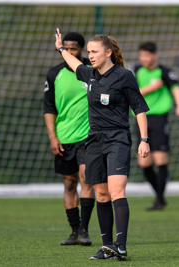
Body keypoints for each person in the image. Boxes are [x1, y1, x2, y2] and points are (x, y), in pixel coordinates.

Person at [54, 28, 150, 261]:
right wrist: (60, 48)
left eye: (95, 52)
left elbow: (139, 109)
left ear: (108, 52)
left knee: (117, 191)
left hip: (117, 138)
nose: (91, 56)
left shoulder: (124, 75)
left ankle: (121, 245)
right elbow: (74, 62)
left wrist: (144, 140)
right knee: (102, 194)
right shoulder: (90, 74)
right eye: (89, 52)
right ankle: (107, 247)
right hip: (94, 139)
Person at [43, 32, 95, 246]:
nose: (69, 52)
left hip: (88, 136)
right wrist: (53, 137)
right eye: (66, 48)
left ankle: (84, 230)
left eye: (74, 49)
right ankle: (74, 231)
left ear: (81, 50)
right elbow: (49, 108)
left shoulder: (91, 72)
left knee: (86, 179)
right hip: (64, 137)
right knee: (69, 183)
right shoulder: (54, 74)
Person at [133, 42, 179, 210]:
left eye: (147, 56)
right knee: (144, 163)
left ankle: (159, 199)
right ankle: (160, 196)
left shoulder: (164, 72)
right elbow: (132, 92)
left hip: (159, 119)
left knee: (160, 159)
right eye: (141, 55)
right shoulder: (136, 70)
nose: (144, 59)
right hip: (141, 118)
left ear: (155, 56)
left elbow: (176, 88)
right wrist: (152, 87)